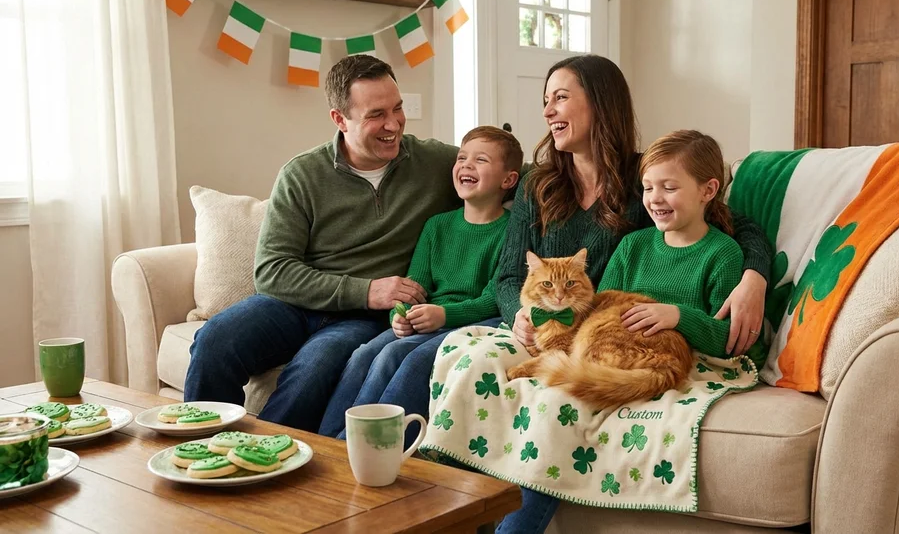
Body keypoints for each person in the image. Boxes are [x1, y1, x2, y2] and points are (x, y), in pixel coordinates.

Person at [490, 55, 773, 533]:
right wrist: (529, 314)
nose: (547, 110)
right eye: (649, 189)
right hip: (585, 329)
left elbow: (737, 230)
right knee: (454, 362)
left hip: (652, 347)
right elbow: (573, 295)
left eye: (561, 97)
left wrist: (755, 276)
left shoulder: (695, 227)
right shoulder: (607, 224)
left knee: (557, 408)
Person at [183, 55, 461, 432]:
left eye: (398, 108)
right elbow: (272, 272)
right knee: (215, 341)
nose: (393, 124)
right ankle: (201, 448)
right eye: (376, 114)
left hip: (361, 319)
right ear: (339, 119)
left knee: (314, 368)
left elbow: (511, 172)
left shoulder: (435, 162)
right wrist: (367, 290)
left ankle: (266, 456)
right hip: (294, 306)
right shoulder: (302, 174)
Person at [317, 126, 522, 440]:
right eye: (462, 158)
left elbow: (494, 299)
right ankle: (327, 442)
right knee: (362, 355)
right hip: (425, 320)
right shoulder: (436, 225)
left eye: (480, 160)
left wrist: (443, 315)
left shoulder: (511, 231)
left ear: (508, 180)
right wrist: (398, 316)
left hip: (468, 324)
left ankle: (363, 445)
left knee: (398, 357)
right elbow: (413, 287)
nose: (466, 165)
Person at [599, 130, 747, 362]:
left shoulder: (723, 253)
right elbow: (599, 311)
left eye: (669, 188)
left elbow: (726, 339)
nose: (654, 198)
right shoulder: (631, 245)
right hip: (618, 355)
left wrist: (678, 316)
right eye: (648, 188)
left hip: (680, 364)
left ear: (708, 190)